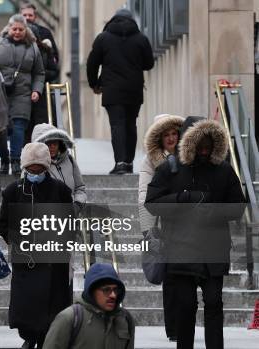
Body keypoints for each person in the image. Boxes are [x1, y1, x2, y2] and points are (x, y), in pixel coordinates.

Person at [145, 118, 245, 349]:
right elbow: (152, 203)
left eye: (208, 146)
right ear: (189, 143)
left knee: (214, 303)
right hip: (181, 250)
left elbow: (238, 206)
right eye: (199, 145)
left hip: (213, 250)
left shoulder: (224, 170)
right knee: (186, 306)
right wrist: (183, 198)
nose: (204, 150)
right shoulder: (170, 168)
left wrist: (213, 212)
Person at [0, 142, 73, 349]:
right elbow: (3, 222)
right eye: (31, 168)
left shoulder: (60, 190)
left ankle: (47, 339)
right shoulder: (13, 191)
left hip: (52, 259)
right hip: (26, 259)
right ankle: (30, 336)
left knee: (52, 302)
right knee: (27, 303)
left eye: (39, 168)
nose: (35, 172)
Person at [86, 8, 154, 175]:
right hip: (134, 89)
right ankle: (129, 162)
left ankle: (120, 162)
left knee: (117, 124)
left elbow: (92, 63)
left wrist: (94, 84)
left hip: (112, 89)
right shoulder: (141, 39)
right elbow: (149, 64)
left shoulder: (103, 38)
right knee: (131, 124)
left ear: (112, 20)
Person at [137, 114, 183, 341]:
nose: (172, 138)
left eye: (175, 133)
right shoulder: (150, 161)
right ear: (159, 138)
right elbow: (144, 195)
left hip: (189, 226)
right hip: (164, 225)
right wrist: (148, 231)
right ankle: (173, 328)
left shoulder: (189, 156)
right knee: (171, 277)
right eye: (167, 135)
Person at [0, 14, 45, 175]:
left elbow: (39, 73)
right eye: (14, 29)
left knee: (18, 127)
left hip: (23, 93)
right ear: (8, 28)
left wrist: (37, 90)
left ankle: (16, 160)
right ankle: (4, 160)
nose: (17, 32)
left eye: (20, 29)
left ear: (25, 29)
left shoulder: (33, 47)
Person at [43, 263, 135, 349]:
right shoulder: (69, 318)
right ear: (91, 291)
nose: (113, 295)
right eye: (106, 290)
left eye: (116, 290)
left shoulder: (125, 319)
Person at [31, 123, 86, 212]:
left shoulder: (70, 160)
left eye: (55, 143)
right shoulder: (33, 165)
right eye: (48, 143)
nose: (52, 147)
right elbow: (28, 195)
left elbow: (80, 188)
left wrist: (77, 205)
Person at [26, 24, 60, 141]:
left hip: (42, 95)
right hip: (24, 93)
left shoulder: (46, 51)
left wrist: (40, 75)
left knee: (42, 125)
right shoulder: (21, 51)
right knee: (26, 128)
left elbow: (55, 70)